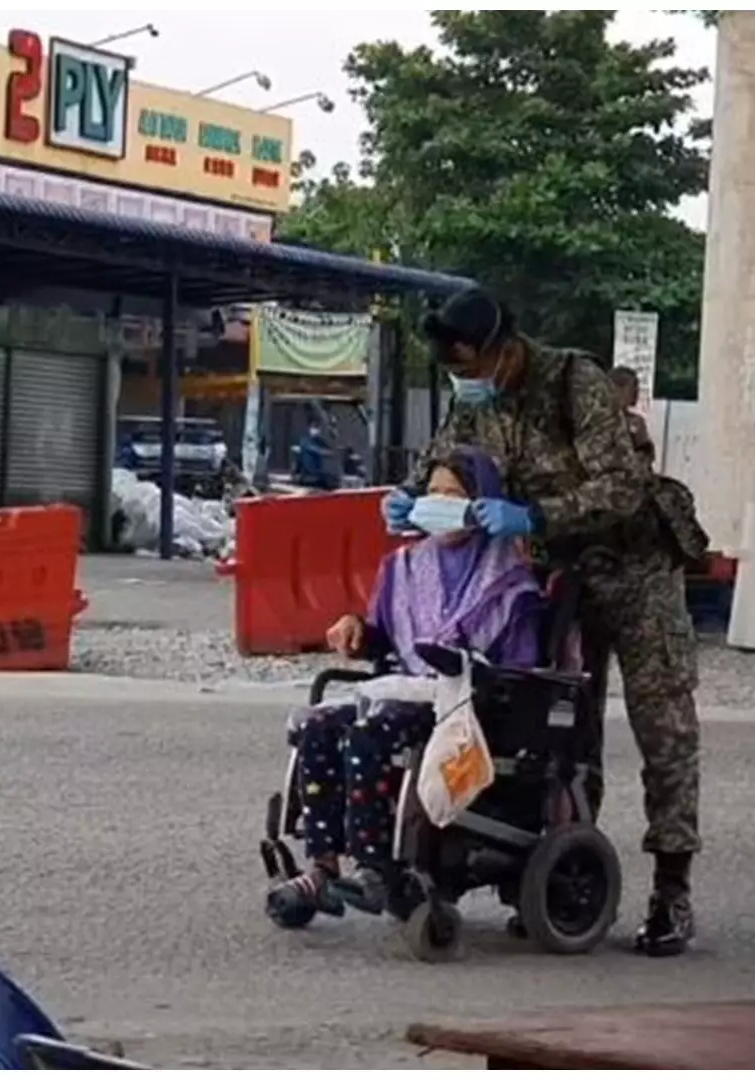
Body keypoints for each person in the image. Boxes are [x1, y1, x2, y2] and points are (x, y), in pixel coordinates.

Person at [384, 287, 702, 957]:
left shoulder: (573, 382)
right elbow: (437, 466)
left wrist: (535, 517)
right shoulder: (474, 397)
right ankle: (559, 872)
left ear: (505, 350)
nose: (465, 382)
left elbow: (622, 485)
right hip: (561, 580)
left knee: (663, 728)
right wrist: (409, 501)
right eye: (456, 372)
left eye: (473, 368)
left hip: (637, 570)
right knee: (562, 733)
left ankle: (671, 892)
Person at [266, 446, 546, 925]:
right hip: (402, 687)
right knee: (316, 726)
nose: (439, 502)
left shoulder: (510, 582)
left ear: (483, 504)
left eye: (454, 495)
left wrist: (461, 666)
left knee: (369, 734)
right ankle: (322, 867)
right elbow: (384, 638)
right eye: (432, 492)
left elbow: (520, 665)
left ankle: (375, 866)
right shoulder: (404, 566)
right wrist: (356, 630)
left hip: (463, 700)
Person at [611, 365, 656, 467]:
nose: (637, 392)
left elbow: (648, 454)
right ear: (617, 389)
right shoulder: (599, 418)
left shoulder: (636, 421)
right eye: (633, 387)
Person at [297, 421, 338, 490]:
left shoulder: (318, 440)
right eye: (314, 427)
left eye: (318, 428)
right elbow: (317, 450)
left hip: (318, 472)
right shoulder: (305, 440)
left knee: (333, 480)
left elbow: (328, 447)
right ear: (309, 428)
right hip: (308, 473)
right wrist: (328, 452)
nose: (316, 430)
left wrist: (334, 443)